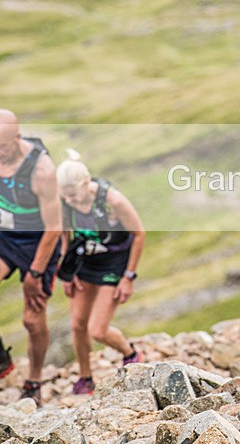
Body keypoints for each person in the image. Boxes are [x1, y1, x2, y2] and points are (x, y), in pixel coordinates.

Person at [56, 151, 145, 395]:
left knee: (98, 330)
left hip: (114, 263)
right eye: (65, 196)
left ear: (86, 183)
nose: (70, 200)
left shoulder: (112, 201)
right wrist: (67, 271)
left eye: (74, 195)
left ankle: (131, 353)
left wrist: (128, 277)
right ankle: (85, 378)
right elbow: (65, 235)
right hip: (85, 261)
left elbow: (139, 234)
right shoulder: (64, 202)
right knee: (77, 324)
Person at [0, 109, 62, 406]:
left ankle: (34, 380)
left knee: (32, 319)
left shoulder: (42, 171)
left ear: (17, 137)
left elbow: (54, 228)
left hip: (39, 242)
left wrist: (34, 274)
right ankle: (2, 362)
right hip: (6, 236)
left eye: (2, 147)